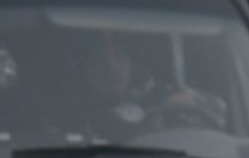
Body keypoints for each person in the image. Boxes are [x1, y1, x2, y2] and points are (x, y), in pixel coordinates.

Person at [75, 30, 225, 137]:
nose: (111, 68)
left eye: (118, 57)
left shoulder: (164, 104)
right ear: (85, 68)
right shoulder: (72, 114)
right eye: (100, 60)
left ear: (131, 64)